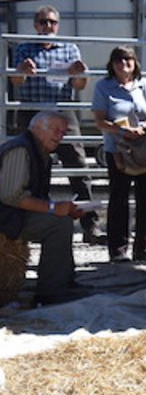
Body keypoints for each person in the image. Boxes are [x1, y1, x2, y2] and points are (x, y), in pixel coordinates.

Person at [8, 4, 100, 244]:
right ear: (35, 25)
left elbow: (80, 86)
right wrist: (22, 70)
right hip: (31, 111)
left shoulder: (69, 48)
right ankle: (33, 221)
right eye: (43, 22)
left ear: (57, 25)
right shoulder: (24, 47)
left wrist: (80, 74)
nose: (48, 26)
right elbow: (15, 81)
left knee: (79, 166)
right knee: (31, 167)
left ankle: (90, 224)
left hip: (63, 110)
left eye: (52, 22)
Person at [0, 111, 85, 305]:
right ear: (36, 128)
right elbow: (10, 195)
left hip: (12, 214)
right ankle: (51, 292)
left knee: (62, 220)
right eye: (55, 130)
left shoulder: (39, 150)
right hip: (6, 217)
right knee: (59, 225)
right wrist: (54, 208)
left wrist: (62, 209)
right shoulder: (21, 149)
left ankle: (63, 281)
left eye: (63, 132)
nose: (59, 136)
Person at [91, 45, 146, 264]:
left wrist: (143, 128)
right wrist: (121, 130)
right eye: (119, 61)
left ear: (135, 63)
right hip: (118, 150)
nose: (124, 64)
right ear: (112, 65)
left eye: (128, 60)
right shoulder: (103, 87)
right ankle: (118, 248)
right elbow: (100, 120)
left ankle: (143, 246)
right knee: (119, 198)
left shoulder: (145, 84)